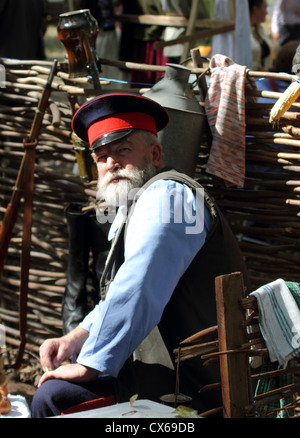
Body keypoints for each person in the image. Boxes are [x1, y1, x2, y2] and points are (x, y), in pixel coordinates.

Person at [30, 92, 250, 417]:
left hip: (194, 388)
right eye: (102, 156)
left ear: (156, 154)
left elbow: (139, 285)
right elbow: (120, 292)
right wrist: (77, 338)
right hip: (164, 376)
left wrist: (90, 364)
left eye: (123, 150)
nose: (112, 163)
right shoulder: (134, 207)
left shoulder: (168, 198)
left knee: (52, 398)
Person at [248, 0, 272, 71]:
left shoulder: (260, 29)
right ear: (255, 9)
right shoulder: (242, 34)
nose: (267, 12)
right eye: (265, 8)